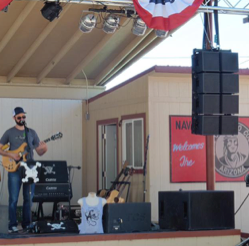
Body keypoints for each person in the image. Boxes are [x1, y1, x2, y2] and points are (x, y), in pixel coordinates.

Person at [0, 107, 48, 233]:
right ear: (14, 118)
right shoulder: (9, 132)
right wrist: (11, 155)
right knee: (13, 198)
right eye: (19, 117)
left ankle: (27, 224)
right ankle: (12, 225)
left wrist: (44, 148)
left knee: (28, 198)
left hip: (29, 169)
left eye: (23, 117)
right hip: (14, 169)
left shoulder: (31, 132)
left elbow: (39, 152)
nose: (22, 119)